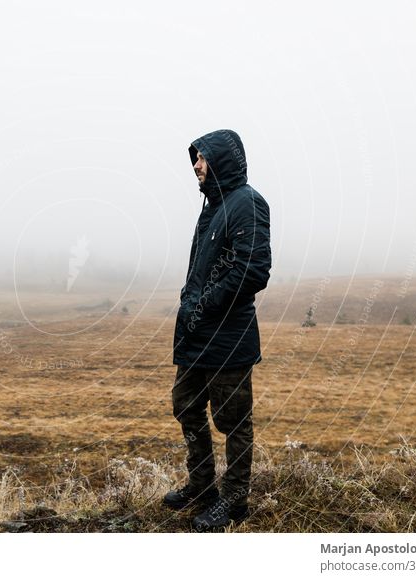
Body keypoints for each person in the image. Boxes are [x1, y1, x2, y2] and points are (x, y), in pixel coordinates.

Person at [163, 129, 271, 532]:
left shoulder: (248, 203)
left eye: (202, 158)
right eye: (195, 158)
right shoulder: (213, 206)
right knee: (186, 406)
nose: (196, 165)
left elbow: (252, 270)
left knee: (233, 421)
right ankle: (203, 484)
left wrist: (204, 306)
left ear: (221, 160)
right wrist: (189, 302)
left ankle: (234, 502)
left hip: (228, 339)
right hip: (196, 337)